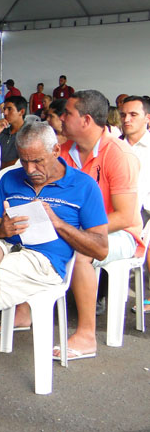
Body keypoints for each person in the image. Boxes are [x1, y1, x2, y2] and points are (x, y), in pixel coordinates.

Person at [0, 122, 108, 419]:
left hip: (43, 262)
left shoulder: (83, 186)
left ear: (56, 150)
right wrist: (2, 230)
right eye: (24, 160)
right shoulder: (11, 178)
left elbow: (100, 248)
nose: (30, 169)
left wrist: (59, 224)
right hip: (6, 250)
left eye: (38, 161)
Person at [59, 90, 142, 359]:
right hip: (77, 228)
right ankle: (24, 312)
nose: (61, 118)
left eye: (67, 113)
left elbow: (125, 216)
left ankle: (87, 336)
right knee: (34, 237)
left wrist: (79, 232)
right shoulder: (64, 151)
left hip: (122, 234)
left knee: (83, 249)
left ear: (85, 120)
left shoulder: (118, 154)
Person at [119, 96, 150, 312]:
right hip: (117, 212)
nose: (126, 119)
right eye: (123, 115)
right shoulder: (114, 146)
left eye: (133, 115)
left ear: (147, 118)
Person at [0, 95, 27, 168]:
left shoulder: (29, 133)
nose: (5, 113)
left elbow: (23, 161)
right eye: (4, 109)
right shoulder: (2, 131)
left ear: (21, 112)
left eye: (9, 109)